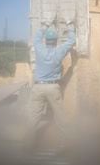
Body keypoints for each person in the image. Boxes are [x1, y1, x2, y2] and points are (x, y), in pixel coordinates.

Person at [26, 21, 76, 151]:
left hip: (37, 88)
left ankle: (28, 146)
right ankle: (64, 145)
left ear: (46, 40)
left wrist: (45, 25)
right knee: (60, 117)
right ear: (55, 41)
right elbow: (71, 41)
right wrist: (70, 25)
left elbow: (36, 38)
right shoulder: (59, 51)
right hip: (53, 88)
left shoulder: (39, 48)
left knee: (33, 118)